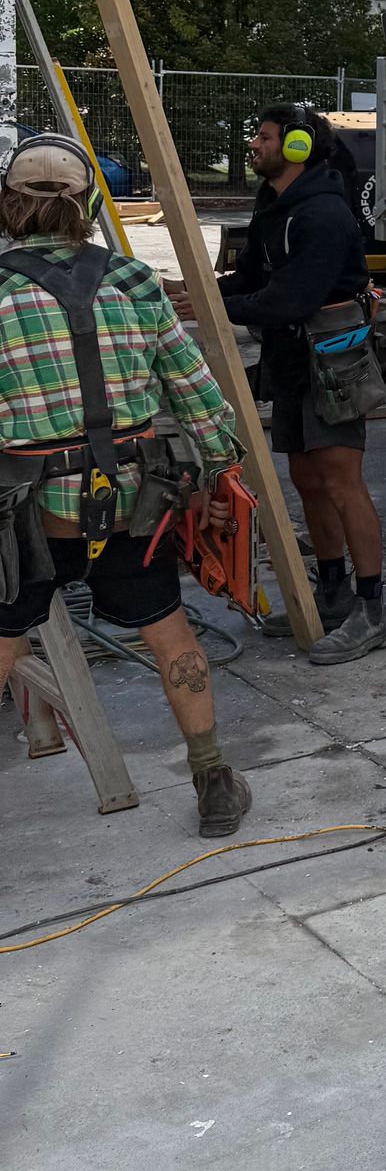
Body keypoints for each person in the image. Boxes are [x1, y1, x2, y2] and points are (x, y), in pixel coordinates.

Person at [0, 133, 251, 836]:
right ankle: (213, 780)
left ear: (10, 205)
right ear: (84, 206)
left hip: (30, 517)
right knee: (170, 635)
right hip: (132, 504)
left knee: (4, 642)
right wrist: (218, 473)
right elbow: (200, 397)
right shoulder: (135, 281)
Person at [218, 102, 386, 663]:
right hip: (292, 358)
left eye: (263, 137)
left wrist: (222, 307)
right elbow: (249, 278)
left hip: (333, 358)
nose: (254, 145)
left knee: (341, 481)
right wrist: (198, 291)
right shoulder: (274, 204)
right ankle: (333, 591)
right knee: (306, 478)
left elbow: (289, 299)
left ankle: (372, 612)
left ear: (296, 146)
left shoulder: (321, 215)